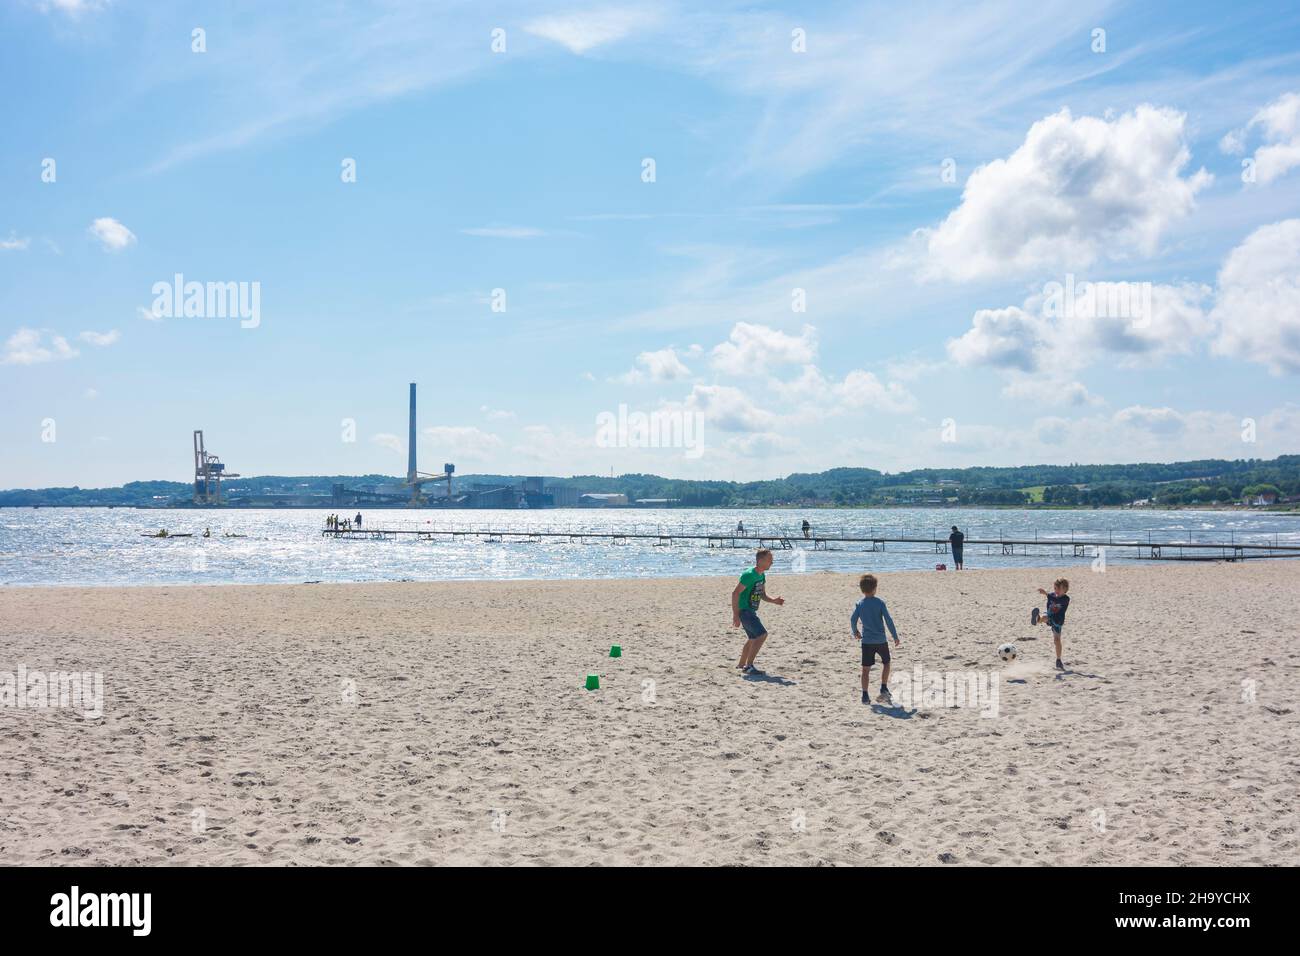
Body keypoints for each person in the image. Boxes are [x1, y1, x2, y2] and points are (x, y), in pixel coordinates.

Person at [731, 548, 784, 675]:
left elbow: (762, 595)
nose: (772, 562)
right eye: (770, 560)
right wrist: (735, 615)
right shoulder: (749, 575)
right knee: (762, 635)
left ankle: (741, 664)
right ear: (760, 560)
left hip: (751, 611)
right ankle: (749, 666)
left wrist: (774, 601)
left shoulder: (761, 575)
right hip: (745, 611)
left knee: (753, 638)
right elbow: (735, 593)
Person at [851, 573, 900, 704]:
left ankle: (865, 695)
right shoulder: (880, 603)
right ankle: (883, 687)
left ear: (862, 589)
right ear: (874, 588)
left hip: (867, 642)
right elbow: (888, 620)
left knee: (865, 670)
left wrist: (855, 631)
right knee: (886, 663)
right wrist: (895, 636)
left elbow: (853, 619)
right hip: (880, 641)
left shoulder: (859, 604)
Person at [1032, 578, 1071, 670]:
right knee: (1045, 617)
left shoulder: (1066, 599)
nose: (1056, 590)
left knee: (1057, 640)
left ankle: (1058, 660)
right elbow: (1050, 601)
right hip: (1050, 615)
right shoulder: (1052, 595)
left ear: (1065, 590)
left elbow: (1056, 601)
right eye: (1055, 588)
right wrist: (1046, 595)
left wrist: (1046, 594)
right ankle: (1037, 619)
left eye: (1058, 589)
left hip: (1058, 621)